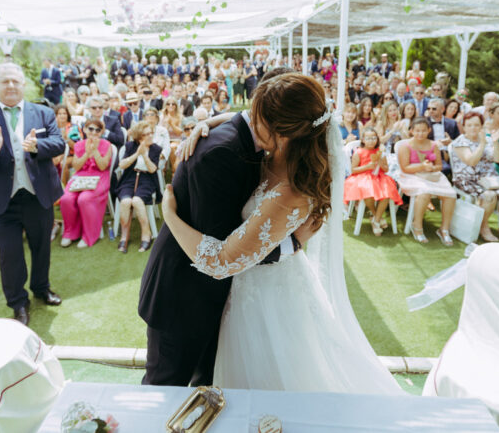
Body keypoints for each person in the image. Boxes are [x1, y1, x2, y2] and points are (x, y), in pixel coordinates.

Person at [154, 71, 404, 395]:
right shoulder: (278, 147)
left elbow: (221, 261)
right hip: (243, 292)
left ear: (283, 132)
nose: (250, 121)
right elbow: (243, 119)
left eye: (258, 117)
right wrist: (208, 122)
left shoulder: (291, 190)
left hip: (266, 300)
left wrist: (169, 215)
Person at [0, 63, 66, 326]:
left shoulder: (43, 112)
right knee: (10, 255)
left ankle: (41, 288)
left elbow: (58, 143)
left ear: (23, 84)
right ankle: (18, 303)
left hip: (37, 195)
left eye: (15, 81)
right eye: (4, 81)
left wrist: (38, 145)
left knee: (42, 247)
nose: (10, 85)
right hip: (2, 200)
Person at [450, 112, 499, 242]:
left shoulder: (487, 140)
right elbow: (471, 161)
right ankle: (483, 227)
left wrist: (495, 142)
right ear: (464, 127)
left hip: (488, 179)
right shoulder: (459, 142)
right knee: (489, 196)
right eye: (469, 125)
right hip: (467, 179)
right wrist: (482, 144)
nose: (473, 128)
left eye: (476, 125)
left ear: (481, 127)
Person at [395, 118, 457, 246]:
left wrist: (431, 168)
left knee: (451, 194)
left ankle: (444, 229)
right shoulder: (405, 146)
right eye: (417, 130)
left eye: (423, 130)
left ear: (429, 130)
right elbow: (405, 168)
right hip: (411, 175)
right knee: (424, 192)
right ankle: (417, 226)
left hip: (430, 175)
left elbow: (439, 166)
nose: (420, 133)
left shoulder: (433, 145)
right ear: (411, 131)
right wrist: (422, 166)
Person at [60, 118, 112, 248]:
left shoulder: (107, 145)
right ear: (84, 129)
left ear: (101, 132)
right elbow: (76, 167)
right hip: (80, 176)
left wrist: (95, 151)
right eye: (91, 129)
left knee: (85, 199)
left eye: (97, 130)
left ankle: (88, 235)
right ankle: (70, 233)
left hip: (99, 177)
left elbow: (102, 166)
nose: (94, 132)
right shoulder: (79, 145)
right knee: (66, 198)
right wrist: (87, 153)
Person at [343, 128, 402, 236]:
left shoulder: (380, 152)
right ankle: (375, 215)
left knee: (387, 193)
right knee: (368, 191)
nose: (371, 140)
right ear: (363, 140)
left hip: (379, 177)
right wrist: (367, 167)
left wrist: (380, 162)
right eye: (368, 138)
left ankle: (376, 220)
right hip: (362, 177)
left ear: (377, 139)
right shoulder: (359, 152)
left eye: (374, 138)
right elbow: (353, 170)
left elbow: (386, 169)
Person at [115, 121, 161, 253]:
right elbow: (122, 165)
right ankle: (124, 236)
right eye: (146, 134)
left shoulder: (156, 149)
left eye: (151, 133)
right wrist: (137, 154)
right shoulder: (130, 146)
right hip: (129, 178)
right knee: (125, 201)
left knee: (137, 201)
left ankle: (146, 234)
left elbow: (152, 169)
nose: (150, 136)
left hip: (147, 179)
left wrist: (145, 156)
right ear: (139, 137)